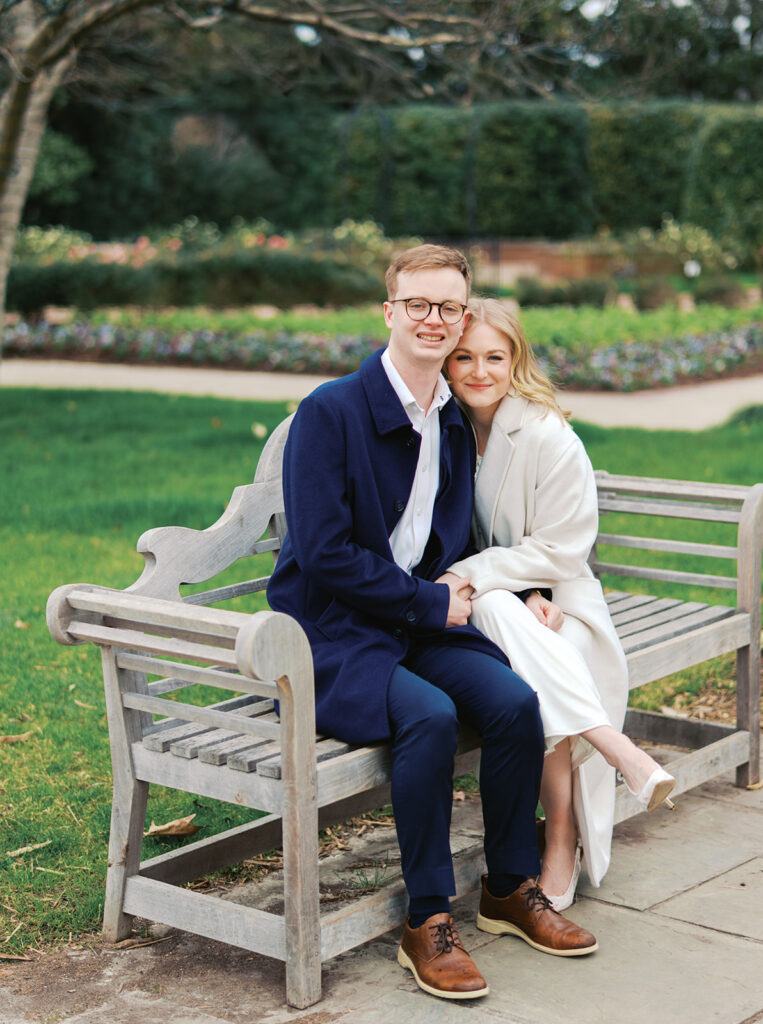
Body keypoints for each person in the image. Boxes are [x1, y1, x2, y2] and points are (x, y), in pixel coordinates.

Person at [267, 246, 598, 1002]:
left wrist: (530, 586)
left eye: (449, 307)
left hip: (418, 620)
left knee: (515, 705)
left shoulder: (450, 418)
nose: (435, 320)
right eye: (418, 304)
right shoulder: (331, 412)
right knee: (432, 717)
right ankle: (428, 919)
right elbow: (322, 553)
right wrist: (423, 604)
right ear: (389, 311)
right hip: (335, 631)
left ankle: (509, 886)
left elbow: (464, 537)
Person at [444, 297, 675, 912]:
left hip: (565, 597)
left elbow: (565, 546)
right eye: (463, 356)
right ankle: (615, 749)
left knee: (538, 656)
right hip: (505, 598)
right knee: (502, 617)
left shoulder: (547, 434)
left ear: (516, 359)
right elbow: (447, 531)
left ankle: (562, 834)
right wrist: (516, 590)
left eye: (494, 356)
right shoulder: (447, 429)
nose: (478, 371)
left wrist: (521, 587)